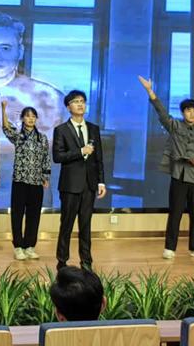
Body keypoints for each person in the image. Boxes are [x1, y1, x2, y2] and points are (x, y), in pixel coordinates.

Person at [138, 76, 194, 260]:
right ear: (183, 113)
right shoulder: (175, 126)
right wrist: (150, 91)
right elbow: (162, 113)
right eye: (188, 111)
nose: (192, 114)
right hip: (179, 175)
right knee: (175, 212)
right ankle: (169, 247)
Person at [53, 90, 106, 272]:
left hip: (89, 185)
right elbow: (58, 156)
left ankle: (86, 261)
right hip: (70, 185)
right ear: (68, 107)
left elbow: (98, 158)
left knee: (85, 225)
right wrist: (80, 151)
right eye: (76, 101)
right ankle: (62, 261)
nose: (80, 104)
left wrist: (101, 182)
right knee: (66, 224)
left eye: (82, 101)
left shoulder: (93, 129)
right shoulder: (61, 130)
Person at [2, 100, 50, 261]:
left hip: (36, 182)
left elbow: (46, 158)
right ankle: (18, 247)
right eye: (28, 116)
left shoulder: (42, 138)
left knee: (34, 215)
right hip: (20, 181)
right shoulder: (18, 136)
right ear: (22, 118)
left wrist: (45, 177)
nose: (31, 119)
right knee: (17, 215)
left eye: (33, 116)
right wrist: (3, 108)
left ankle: (30, 246)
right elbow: (6, 128)